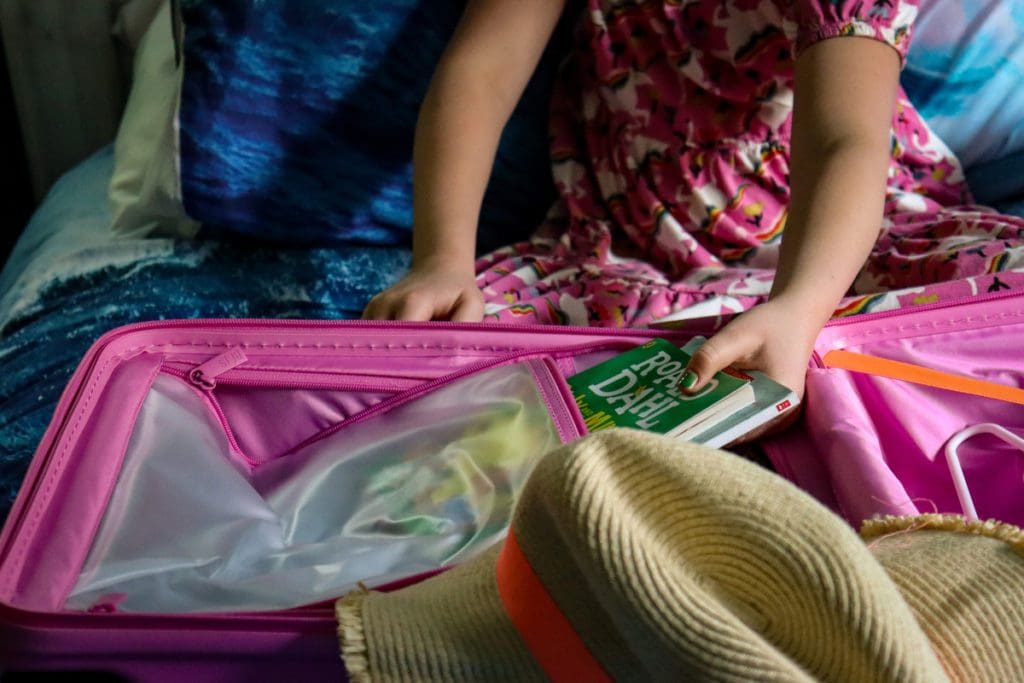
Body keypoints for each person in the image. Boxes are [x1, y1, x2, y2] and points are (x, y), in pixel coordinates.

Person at [362, 0, 1024, 399]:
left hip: (840, 240)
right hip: (621, 249)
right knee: (437, 358)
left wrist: (798, 305)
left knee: (999, 281)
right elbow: (485, 69)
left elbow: (847, 139)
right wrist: (442, 257)